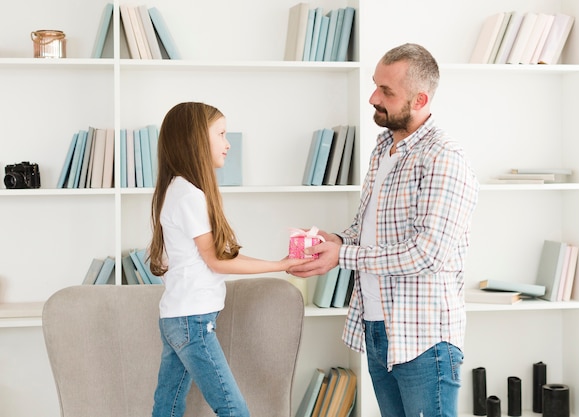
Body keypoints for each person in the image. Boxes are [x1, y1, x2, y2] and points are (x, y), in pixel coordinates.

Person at [288, 43, 480, 417]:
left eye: (386, 91)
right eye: (375, 86)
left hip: (424, 339)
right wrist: (339, 240)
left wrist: (342, 256)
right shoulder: (382, 148)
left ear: (421, 98)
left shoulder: (444, 158)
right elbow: (370, 225)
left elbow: (428, 253)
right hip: (377, 330)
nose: (373, 97)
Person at [148, 102, 309, 417]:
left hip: (176, 317)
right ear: (195, 140)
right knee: (233, 409)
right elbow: (218, 261)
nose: (228, 143)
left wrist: (282, 264)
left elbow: (215, 257)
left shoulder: (177, 190)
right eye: (221, 134)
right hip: (192, 321)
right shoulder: (191, 195)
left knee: (167, 407)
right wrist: (282, 265)